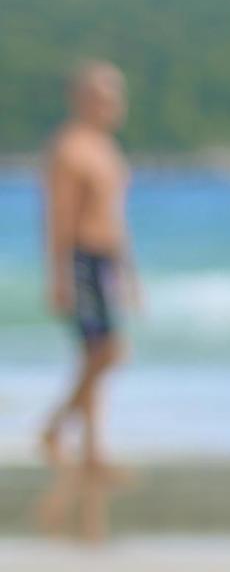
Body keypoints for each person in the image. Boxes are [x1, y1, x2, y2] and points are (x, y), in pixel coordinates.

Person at [37, 60, 137, 473]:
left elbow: (116, 217)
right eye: (103, 96)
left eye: (116, 95)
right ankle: (56, 428)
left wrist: (130, 274)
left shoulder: (106, 148)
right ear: (81, 99)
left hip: (105, 260)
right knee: (106, 351)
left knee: (95, 355)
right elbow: (58, 217)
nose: (113, 104)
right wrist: (58, 275)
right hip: (80, 258)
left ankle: (92, 450)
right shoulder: (70, 148)